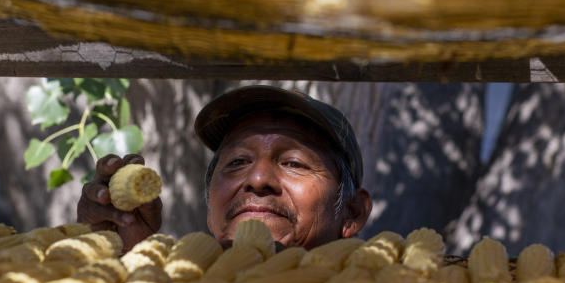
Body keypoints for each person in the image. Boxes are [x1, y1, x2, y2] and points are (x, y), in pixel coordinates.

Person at [76, 85, 372, 251]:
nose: (257, 179)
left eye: (294, 163)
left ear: (353, 212)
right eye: (237, 162)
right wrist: (125, 254)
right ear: (210, 209)